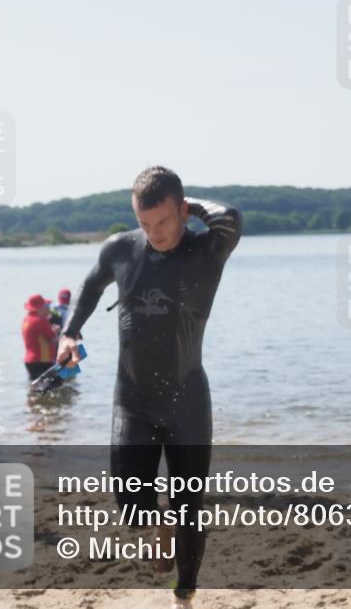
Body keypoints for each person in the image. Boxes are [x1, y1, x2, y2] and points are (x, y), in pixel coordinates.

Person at [57, 166, 242, 608]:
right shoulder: (121, 248)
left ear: (183, 211)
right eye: (144, 223)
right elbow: (89, 286)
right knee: (130, 503)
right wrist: (70, 332)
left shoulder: (207, 250)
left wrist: (192, 206)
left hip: (186, 400)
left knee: (189, 506)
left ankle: (184, 595)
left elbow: (230, 216)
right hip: (133, 400)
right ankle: (160, 523)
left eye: (163, 221)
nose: (154, 233)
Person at [22, 294, 57, 381]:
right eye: (46, 306)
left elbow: (38, 335)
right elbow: (52, 338)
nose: (48, 309)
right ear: (39, 308)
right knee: (49, 386)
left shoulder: (27, 319)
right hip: (41, 361)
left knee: (35, 385)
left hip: (30, 361)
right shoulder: (40, 320)